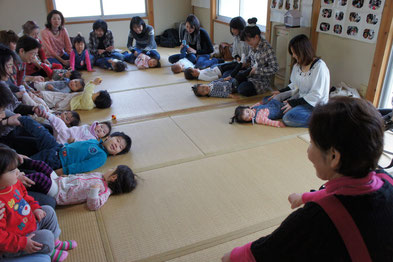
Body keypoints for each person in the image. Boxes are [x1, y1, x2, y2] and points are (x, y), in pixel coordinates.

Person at [222, 97, 393, 262]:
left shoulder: (315, 219)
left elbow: (243, 257)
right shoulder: (385, 178)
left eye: (312, 143)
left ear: (334, 157)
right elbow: (340, 191)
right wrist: (304, 197)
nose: (308, 150)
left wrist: (232, 255)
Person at [0, 144, 76, 262]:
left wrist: (35, 208)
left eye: (16, 168)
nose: (18, 172)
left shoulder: (13, 183)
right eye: (12, 171)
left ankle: (55, 243)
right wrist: (23, 243)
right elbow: (2, 238)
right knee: (46, 236)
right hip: (16, 242)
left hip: (28, 223)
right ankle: (49, 251)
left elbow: (25, 196)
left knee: (48, 211)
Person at [15, 115, 132, 175]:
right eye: (117, 140)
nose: (116, 145)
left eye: (120, 147)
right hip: (58, 147)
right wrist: (68, 143)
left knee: (26, 163)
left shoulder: (101, 157)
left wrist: (61, 171)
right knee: (40, 130)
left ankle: (10, 165)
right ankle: (17, 118)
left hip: (57, 161)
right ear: (109, 137)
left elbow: (82, 166)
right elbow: (77, 144)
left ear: (116, 154)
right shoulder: (94, 141)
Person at [22, 160, 137, 211]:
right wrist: (67, 177)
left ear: (113, 177)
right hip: (60, 180)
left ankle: (16, 184)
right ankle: (19, 161)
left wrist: (94, 192)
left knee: (39, 177)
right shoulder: (100, 175)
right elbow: (81, 176)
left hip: (59, 193)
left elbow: (94, 206)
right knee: (42, 165)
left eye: (112, 169)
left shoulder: (104, 191)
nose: (109, 169)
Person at [268, 34, 330, 127]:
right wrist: (280, 92)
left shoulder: (319, 67)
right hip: (301, 99)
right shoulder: (298, 65)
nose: (293, 56)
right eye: (292, 52)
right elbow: (294, 84)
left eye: (294, 53)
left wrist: (293, 103)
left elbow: (316, 95)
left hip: (315, 105)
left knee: (288, 118)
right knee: (270, 99)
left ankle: (321, 120)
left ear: (303, 51)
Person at [237, 18, 279, 97]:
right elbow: (250, 58)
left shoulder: (267, 49)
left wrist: (257, 70)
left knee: (242, 89)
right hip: (250, 74)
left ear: (256, 37)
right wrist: (245, 62)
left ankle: (239, 85)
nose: (247, 43)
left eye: (248, 40)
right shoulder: (253, 44)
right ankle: (237, 84)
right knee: (234, 75)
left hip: (260, 81)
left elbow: (275, 68)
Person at [37, 77, 112, 111]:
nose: (95, 92)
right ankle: (39, 94)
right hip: (67, 96)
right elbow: (87, 88)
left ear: (98, 98)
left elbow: (87, 91)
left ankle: (38, 98)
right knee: (49, 94)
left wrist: (94, 83)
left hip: (66, 103)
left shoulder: (89, 105)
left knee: (49, 99)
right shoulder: (90, 95)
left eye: (97, 93)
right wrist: (92, 82)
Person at [228, 91, 293, 127]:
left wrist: (261, 102)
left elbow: (258, 104)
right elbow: (268, 122)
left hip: (273, 103)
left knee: (278, 96)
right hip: (280, 110)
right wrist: (278, 124)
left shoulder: (252, 108)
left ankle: (292, 91)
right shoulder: (258, 119)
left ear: (247, 108)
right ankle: (296, 96)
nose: (250, 115)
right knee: (288, 103)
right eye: (247, 117)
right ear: (247, 120)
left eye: (247, 112)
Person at [45, 111, 111, 144]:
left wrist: (74, 140)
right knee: (59, 122)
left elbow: (83, 143)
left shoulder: (93, 139)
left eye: (103, 132)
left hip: (67, 141)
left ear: (101, 137)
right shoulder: (87, 126)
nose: (101, 130)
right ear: (97, 124)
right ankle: (46, 114)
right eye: (101, 126)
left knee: (51, 139)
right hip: (66, 131)